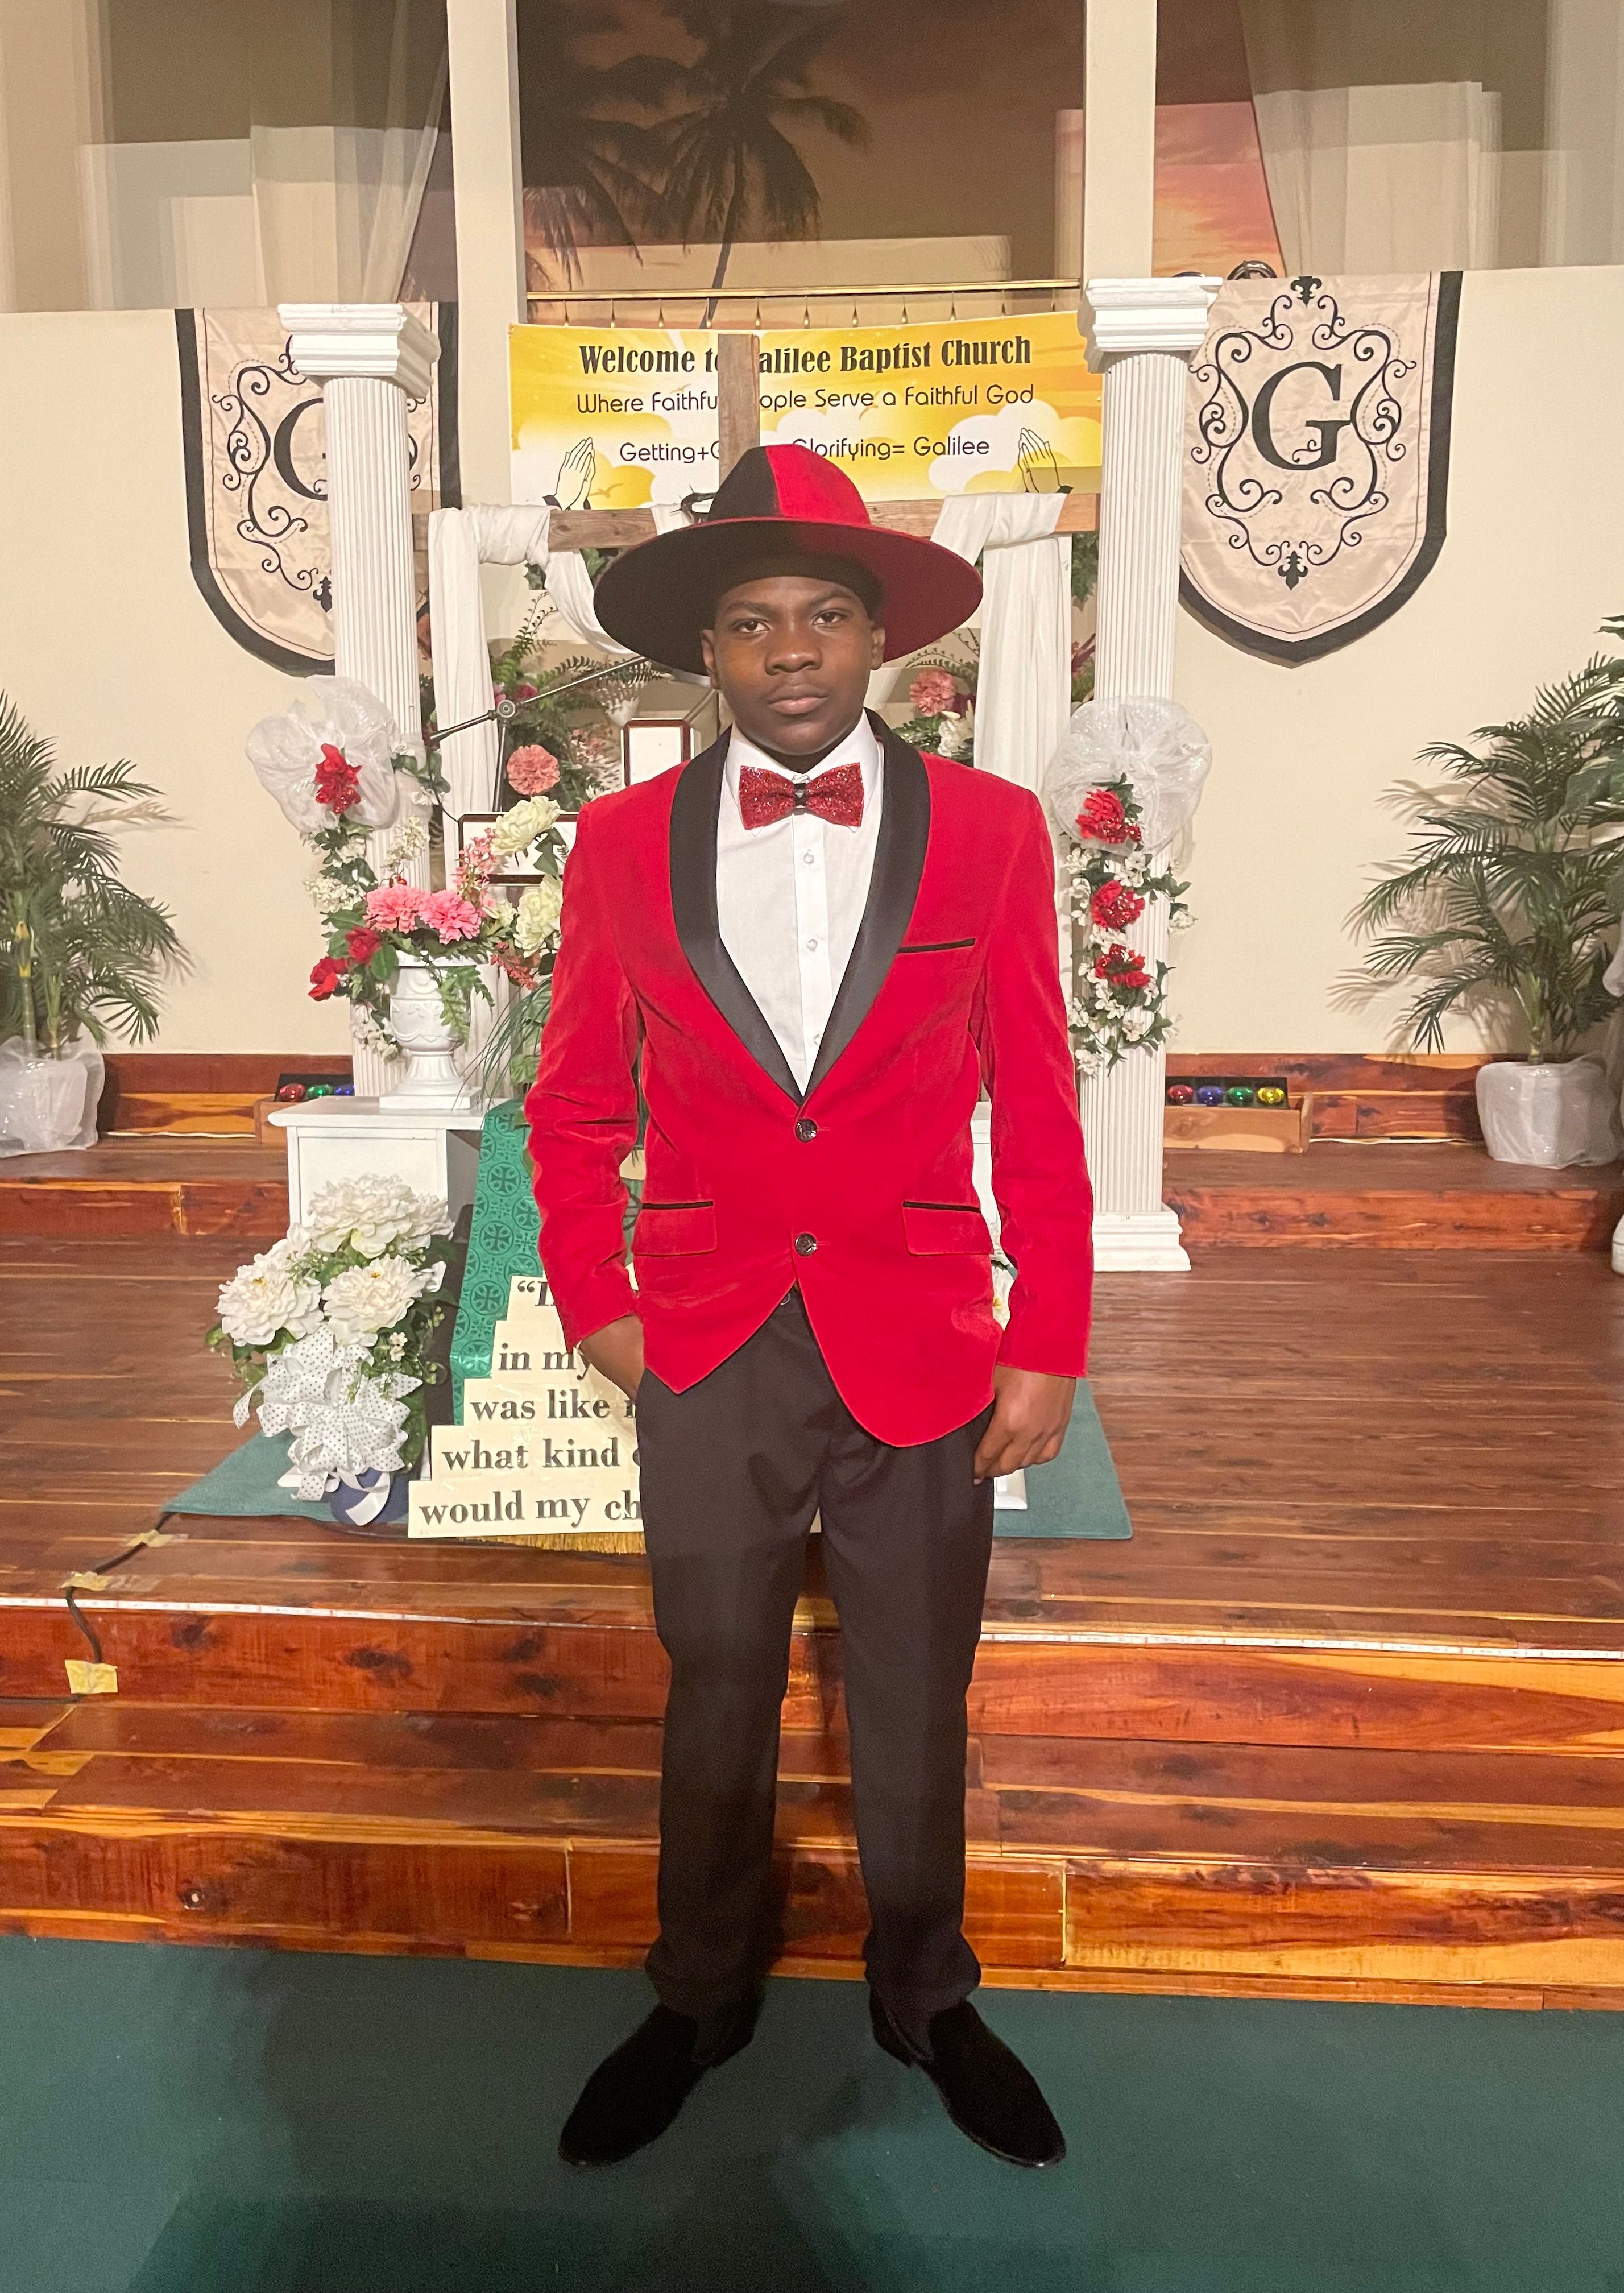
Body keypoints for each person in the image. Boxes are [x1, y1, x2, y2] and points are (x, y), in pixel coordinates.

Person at [525, 443, 1095, 2170]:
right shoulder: (619, 842)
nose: (791, 648)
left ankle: (927, 1990)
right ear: (708, 649)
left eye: (825, 614)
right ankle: (698, 1992)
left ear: (880, 638)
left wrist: (1050, 1338)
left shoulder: (990, 832)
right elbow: (574, 1105)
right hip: (704, 1339)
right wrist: (598, 1303)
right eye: (754, 620)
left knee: (919, 1686)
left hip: (923, 1332)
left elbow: (1040, 1097)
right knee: (715, 1683)